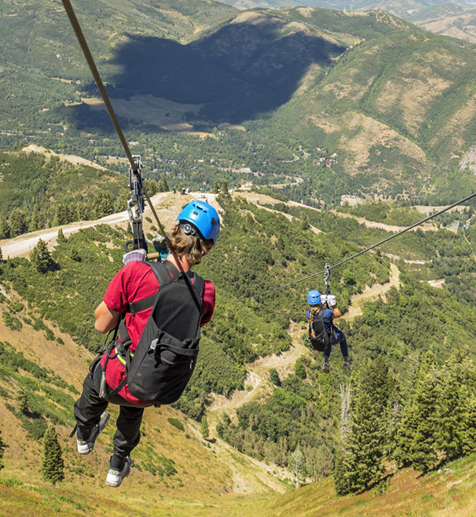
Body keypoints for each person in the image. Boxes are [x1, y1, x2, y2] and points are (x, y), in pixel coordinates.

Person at [73, 200, 220, 487]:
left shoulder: (135, 273)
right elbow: (188, 322)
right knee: (134, 401)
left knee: (95, 381)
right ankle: (116, 466)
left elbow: (101, 324)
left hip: (116, 379)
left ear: (175, 229)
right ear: (205, 249)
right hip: (153, 385)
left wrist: (132, 271)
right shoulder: (205, 292)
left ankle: (83, 434)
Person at [306, 290, 349, 374]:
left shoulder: (308, 314)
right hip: (328, 339)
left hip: (318, 341)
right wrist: (333, 305)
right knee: (341, 337)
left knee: (326, 338)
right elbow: (338, 313)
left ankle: (326, 362)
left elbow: (317, 312)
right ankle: (346, 361)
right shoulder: (326, 313)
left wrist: (321, 304)